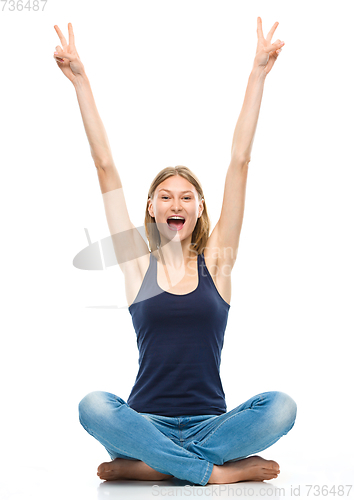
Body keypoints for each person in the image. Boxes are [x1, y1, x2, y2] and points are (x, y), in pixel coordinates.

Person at [53, 17, 296, 486]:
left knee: (281, 406)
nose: (176, 203)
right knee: (93, 405)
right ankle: (211, 473)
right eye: (166, 195)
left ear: (200, 208)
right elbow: (104, 165)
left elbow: (239, 162)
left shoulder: (218, 262)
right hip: (143, 422)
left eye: (187, 196)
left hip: (212, 424)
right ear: (151, 207)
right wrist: (81, 81)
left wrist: (257, 75)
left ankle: (148, 468)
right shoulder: (135, 264)